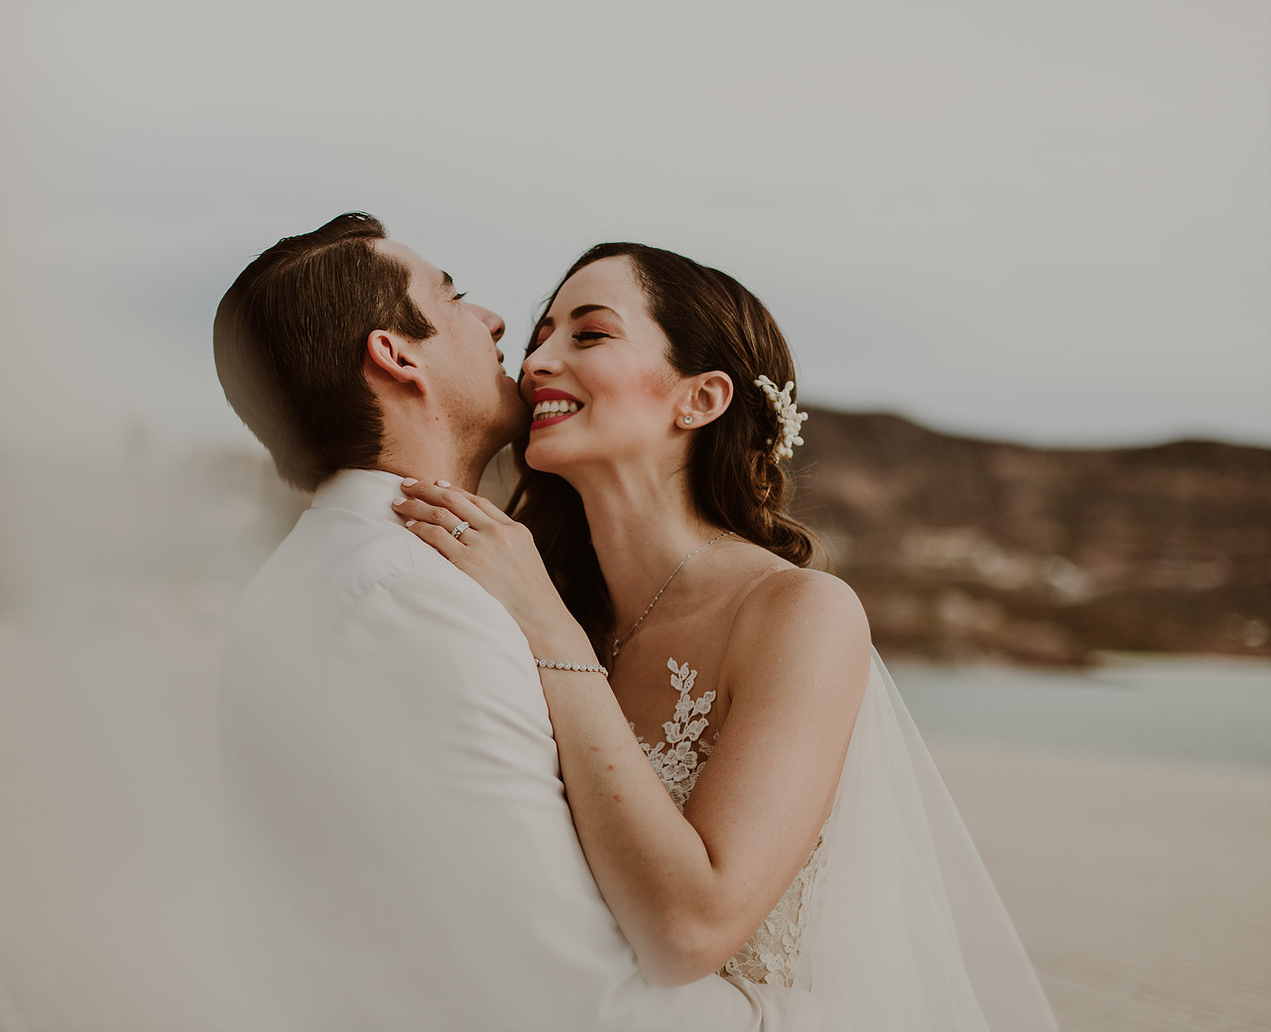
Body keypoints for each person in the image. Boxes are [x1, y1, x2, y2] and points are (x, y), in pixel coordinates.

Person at [395, 243, 1061, 1031]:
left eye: (589, 334)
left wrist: (546, 625)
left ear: (701, 399)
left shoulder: (797, 613)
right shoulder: (528, 595)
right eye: (540, 335)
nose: (537, 360)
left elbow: (691, 931)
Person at [211, 214, 809, 1029]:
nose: (518, 345)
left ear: (702, 400)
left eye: (587, 332)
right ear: (395, 355)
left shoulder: (423, 579)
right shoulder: (419, 596)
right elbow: (566, 990)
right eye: (455, 298)